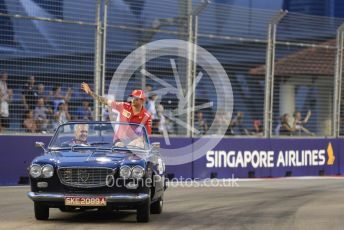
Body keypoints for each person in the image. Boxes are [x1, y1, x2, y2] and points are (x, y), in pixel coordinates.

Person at [81, 82, 152, 138]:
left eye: (136, 98)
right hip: (120, 141)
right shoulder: (123, 106)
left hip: (136, 144)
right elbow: (105, 101)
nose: (133, 100)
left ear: (142, 101)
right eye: (132, 97)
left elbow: (147, 136)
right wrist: (90, 92)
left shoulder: (147, 116)